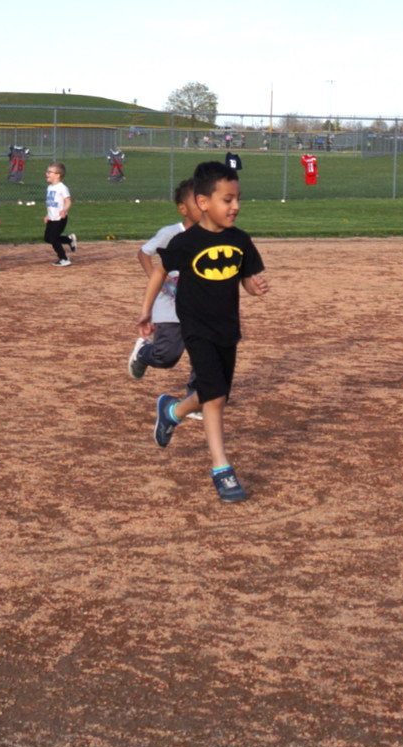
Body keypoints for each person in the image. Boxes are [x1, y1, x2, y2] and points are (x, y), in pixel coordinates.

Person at [144, 162, 269, 503]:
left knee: (216, 391)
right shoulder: (188, 241)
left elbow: (243, 278)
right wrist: (146, 311)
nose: (236, 206)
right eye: (227, 199)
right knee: (214, 396)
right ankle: (221, 467)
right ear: (203, 202)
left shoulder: (240, 240)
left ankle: (171, 412)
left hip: (227, 328)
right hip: (195, 328)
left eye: (238, 199)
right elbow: (159, 271)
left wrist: (253, 287)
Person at [130, 180, 202, 421]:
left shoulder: (214, 235)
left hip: (199, 309)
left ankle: (194, 399)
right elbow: (144, 253)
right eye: (197, 201)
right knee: (167, 356)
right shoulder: (171, 234)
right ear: (183, 208)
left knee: (202, 352)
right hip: (170, 304)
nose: (205, 205)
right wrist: (156, 279)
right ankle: (143, 353)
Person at [43, 162, 76, 267]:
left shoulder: (62, 188)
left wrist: (64, 210)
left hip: (60, 218)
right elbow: (51, 204)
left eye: (49, 172)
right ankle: (69, 240)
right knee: (47, 238)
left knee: (53, 239)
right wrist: (48, 215)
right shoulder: (49, 188)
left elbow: (68, 202)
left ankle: (64, 258)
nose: (47, 174)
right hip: (52, 217)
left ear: (58, 175)